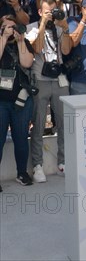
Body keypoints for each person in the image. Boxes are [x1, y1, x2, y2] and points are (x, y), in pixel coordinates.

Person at [26, 0, 73, 183]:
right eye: (47, 11)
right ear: (40, 12)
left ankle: (63, 161)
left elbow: (67, 51)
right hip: (40, 80)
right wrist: (43, 24)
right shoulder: (32, 28)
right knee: (38, 123)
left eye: (53, 11)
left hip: (59, 80)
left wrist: (66, 29)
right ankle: (37, 164)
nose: (51, 14)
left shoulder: (59, 28)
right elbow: (36, 48)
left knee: (63, 122)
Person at [0, 15, 35, 189]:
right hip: (1, 101)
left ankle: (22, 172)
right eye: (6, 27)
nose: (10, 30)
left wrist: (20, 41)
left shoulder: (24, 42)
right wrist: (3, 38)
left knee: (21, 138)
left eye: (13, 27)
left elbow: (27, 63)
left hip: (21, 99)